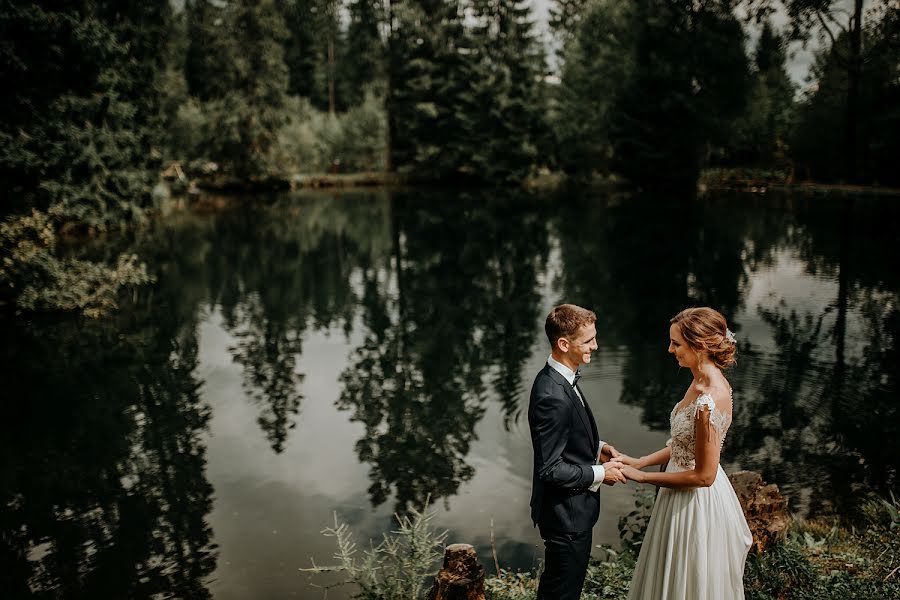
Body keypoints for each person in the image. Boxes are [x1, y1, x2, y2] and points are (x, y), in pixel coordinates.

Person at [612, 307, 753, 600]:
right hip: (676, 489)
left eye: (676, 343)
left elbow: (704, 476)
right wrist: (640, 461)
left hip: (694, 502)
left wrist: (644, 477)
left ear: (699, 345)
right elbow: (681, 444)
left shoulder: (709, 401)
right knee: (667, 571)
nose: (670, 349)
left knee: (688, 578)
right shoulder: (697, 380)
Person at [528, 303, 626, 600]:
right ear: (563, 343)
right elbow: (550, 468)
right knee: (561, 594)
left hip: (573, 515)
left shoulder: (561, 379)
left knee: (564, 590)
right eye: (588, 340)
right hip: (565, 518)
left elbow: (565, 435)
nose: (595, 346)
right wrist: (600, 473)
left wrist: (598, 448)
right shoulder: (552, 394)